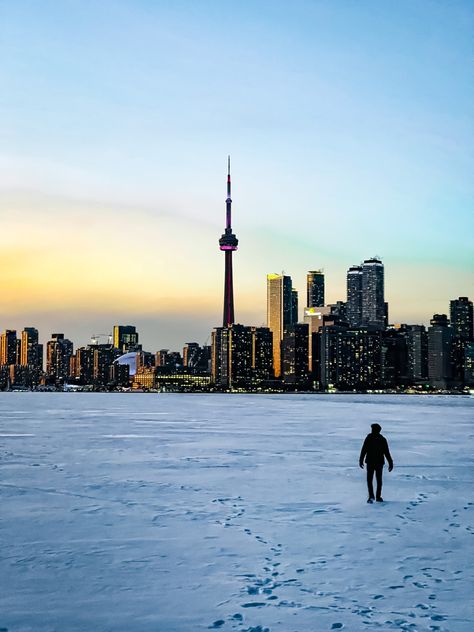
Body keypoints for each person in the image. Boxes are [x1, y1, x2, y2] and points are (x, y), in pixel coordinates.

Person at [359, 423, 393, 503]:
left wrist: (390, 462)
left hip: (377, 463)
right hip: (373, 462)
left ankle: (376, 496)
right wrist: (361, 459)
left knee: (376, 480)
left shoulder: (380, 439)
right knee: (373, 480)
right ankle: (372, 496)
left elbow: (386, 452)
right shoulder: (370, 438)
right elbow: (364, 450)